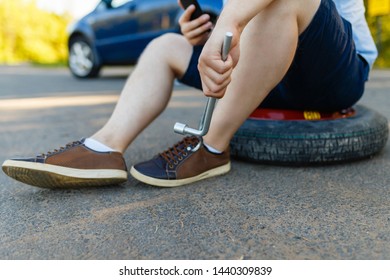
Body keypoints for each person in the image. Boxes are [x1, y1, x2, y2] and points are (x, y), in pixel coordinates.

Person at [2, 0, 377, 188]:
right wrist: (204, 33)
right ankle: (103, 149)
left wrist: (229, 23)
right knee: (165, 44)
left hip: (333, 75)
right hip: (269, 68)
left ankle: (210, 148)